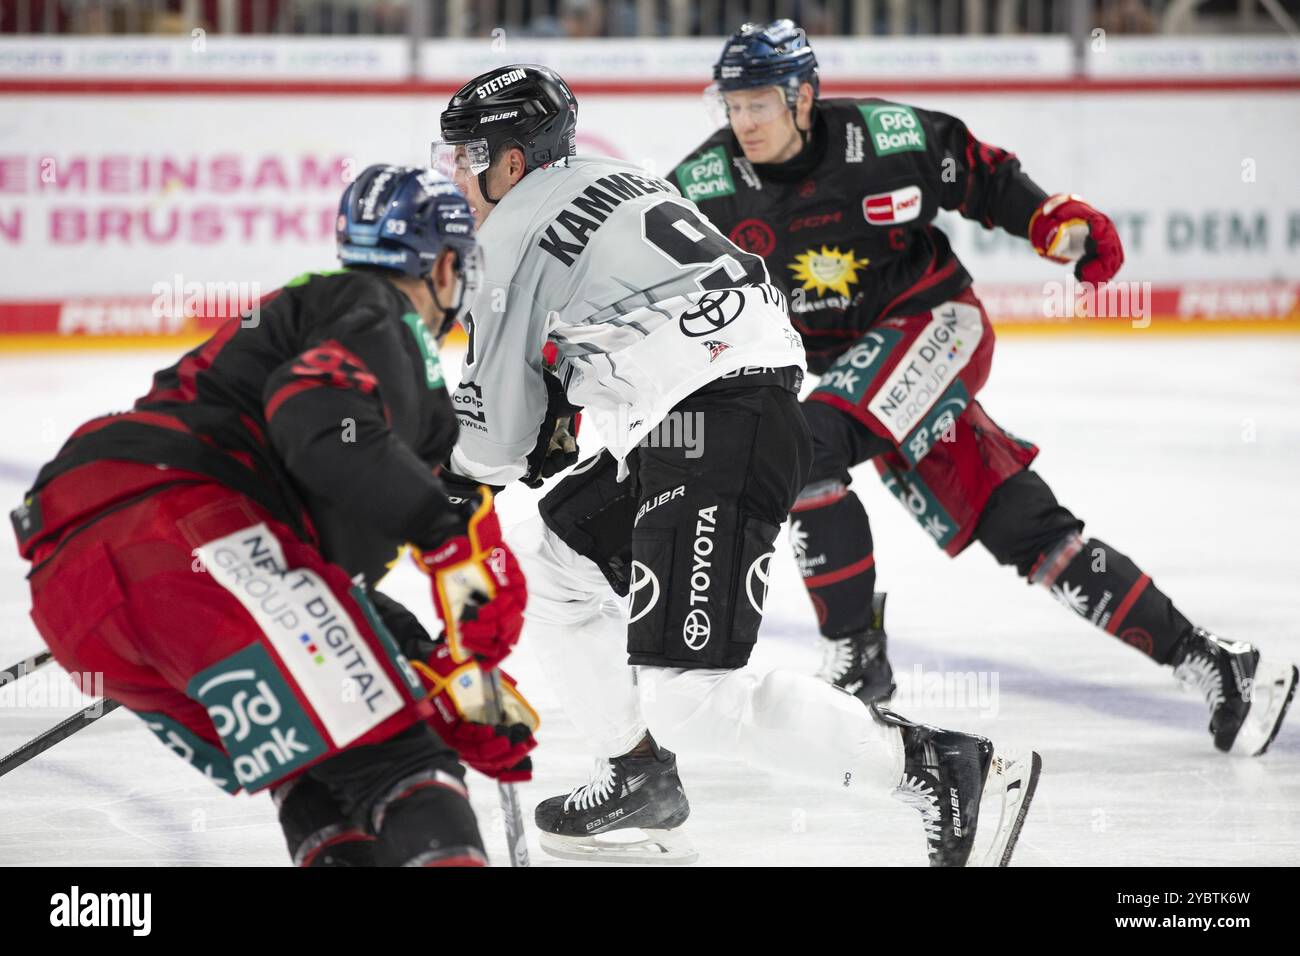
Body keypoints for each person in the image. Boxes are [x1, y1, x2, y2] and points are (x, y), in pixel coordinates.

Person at [433, 63, 1040, 867]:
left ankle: (947, 770)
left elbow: (499, 446)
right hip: (719, 412)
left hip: (714, 422)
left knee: (693, 698)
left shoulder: (506, 234)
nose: (457, 176)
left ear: (513, 161)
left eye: (468, 156)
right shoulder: (613, 177)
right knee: (557, 567)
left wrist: (437, 475)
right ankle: (637, 779)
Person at [669, 18, 1295, 754]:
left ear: (804, 96)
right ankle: (1216, 663)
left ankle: (857, 654)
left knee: (803, 442)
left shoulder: (887, 137)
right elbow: (653, 276)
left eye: (759, 104)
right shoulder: (703, 184)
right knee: (1026, 531)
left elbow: (980, 172)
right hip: (850, 377)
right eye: (731, 106)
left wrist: (1047, 219)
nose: (743, 123)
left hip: (933, 326)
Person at [11, 165, 535, 867]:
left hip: (73, 589)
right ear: (445, 266)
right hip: (189, 537)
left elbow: (384, 512)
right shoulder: (377, 311)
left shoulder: (309, 316)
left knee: (316, 757)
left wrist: (438, 664)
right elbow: (316, 419)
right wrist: (447, 548)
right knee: (399, 756)